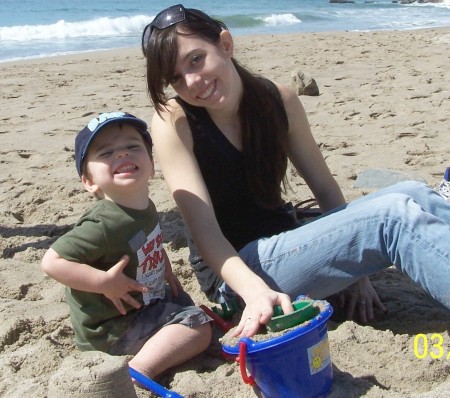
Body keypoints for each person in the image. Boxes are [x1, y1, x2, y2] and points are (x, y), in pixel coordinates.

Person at [141, 4, 450, 338]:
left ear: (225, 45)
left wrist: (358, 274)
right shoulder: (175, 121)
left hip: (289, 239)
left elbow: (325, 187)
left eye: (196, 59)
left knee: (416, 193)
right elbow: (206, 234)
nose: (192, 81)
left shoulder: (279, 100)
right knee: (392, 217)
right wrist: (254, 291)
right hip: (237, 275)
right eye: (175, 76)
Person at [41, 111, 212, 381]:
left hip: (141, 302)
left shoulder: (144, 204)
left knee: (182, 302)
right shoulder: (104, 224)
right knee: (197, 326)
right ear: (89, 181)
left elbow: (146, 238)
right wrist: (103, 283)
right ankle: (137, 372)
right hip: (111, 329)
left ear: (151, 164)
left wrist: (164, 265)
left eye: (133, 147)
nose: (122, 155)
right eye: (106, 153)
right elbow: (52, 262)